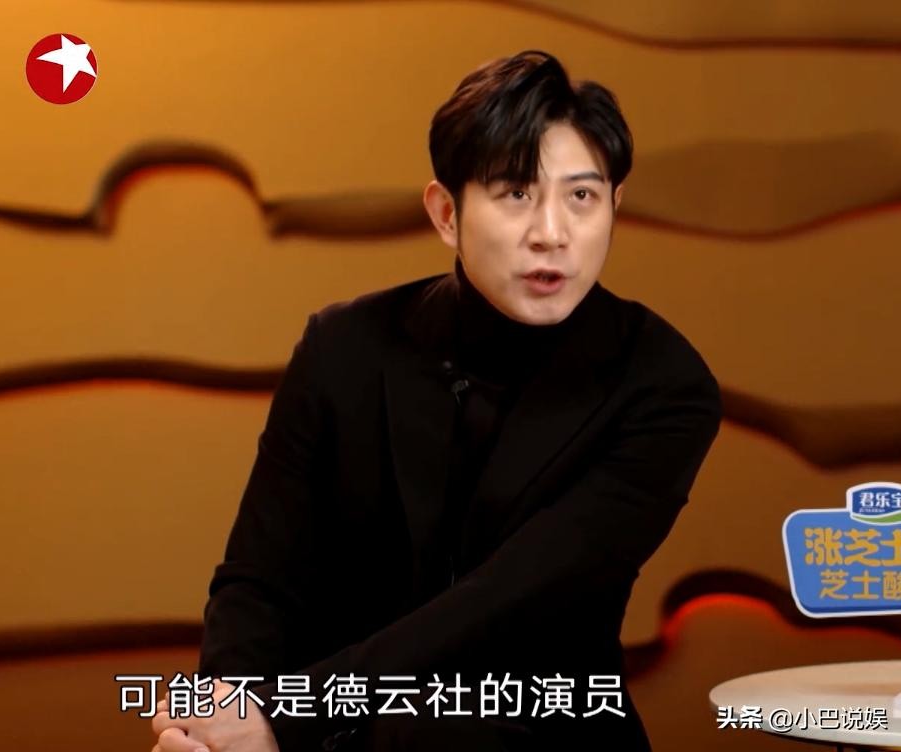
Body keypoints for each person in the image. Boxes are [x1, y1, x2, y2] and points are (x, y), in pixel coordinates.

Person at [150, 49, 722, 752]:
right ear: (446, 213)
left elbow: (513, 599)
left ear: (615, 207)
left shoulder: (664, 384)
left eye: (582, 197)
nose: (552, 233)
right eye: (516, 193)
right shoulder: (343, 347)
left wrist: (283, 717)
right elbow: (258, 578)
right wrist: (218, 721)